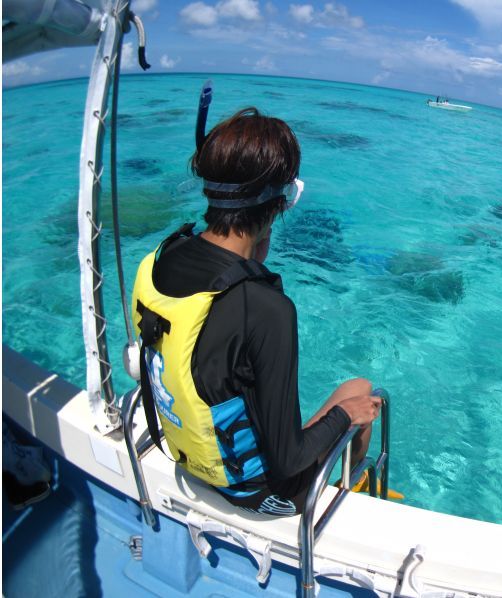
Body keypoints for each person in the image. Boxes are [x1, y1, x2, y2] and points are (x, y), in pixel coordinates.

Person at [131, 107, 382, 516]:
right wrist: (344, 416)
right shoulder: (266, 308)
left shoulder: (162, 257)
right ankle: (341, 494)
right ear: (280, 203)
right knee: (359, 392)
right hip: (259, 493)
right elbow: (286, 458)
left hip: (188, 458)